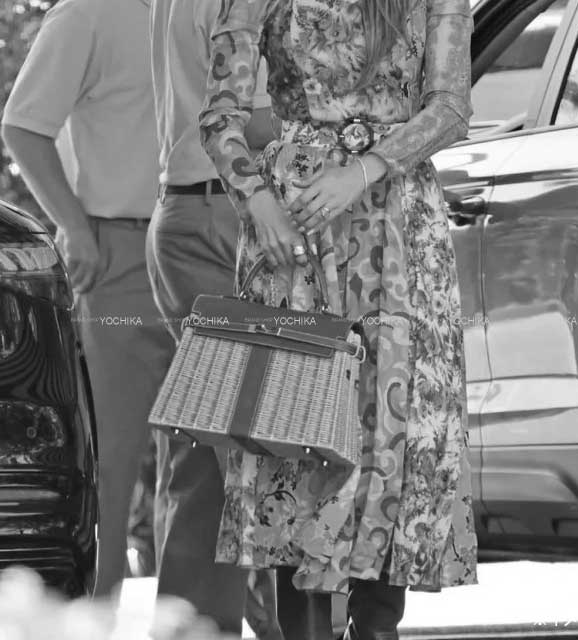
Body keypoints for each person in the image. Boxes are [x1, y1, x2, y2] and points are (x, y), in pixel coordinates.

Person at [198, 0, 478, 638]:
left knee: (395, 425)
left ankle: (377, 626)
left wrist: (366, 169)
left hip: (397, 223)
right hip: (294, 228)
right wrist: (256, 200)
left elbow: (451, 107)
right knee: (294, 429)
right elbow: (219, 115)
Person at [1, 0, 175, 599]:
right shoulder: (86, 13)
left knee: (211, 459)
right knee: (110, 461)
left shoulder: (214, 9)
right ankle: (93, 621)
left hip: (210, 248)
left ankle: (200, 627)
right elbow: (23, 126)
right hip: (119, 259)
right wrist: (73, 227)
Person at [147, 1, 281, 638]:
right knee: (234, 435)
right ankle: (222, 623)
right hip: (223, 215)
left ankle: (205, 622)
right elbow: (252, 121)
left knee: (210, 437)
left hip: (189, 212)